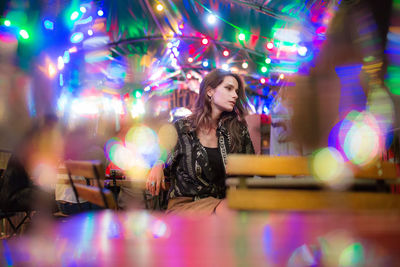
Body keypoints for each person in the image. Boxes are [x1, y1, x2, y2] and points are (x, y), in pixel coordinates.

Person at [145, 69, 255, 215]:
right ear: (210, 92)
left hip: (223, 204)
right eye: (228, 88)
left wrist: (239, 168)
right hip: (185, 205)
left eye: (236, 91)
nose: (235, 95)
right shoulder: (181, 127)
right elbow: (159, 153)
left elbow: (251, 169)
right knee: (232, 210)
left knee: (243, 209)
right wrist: (158, 164)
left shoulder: (238, 130)